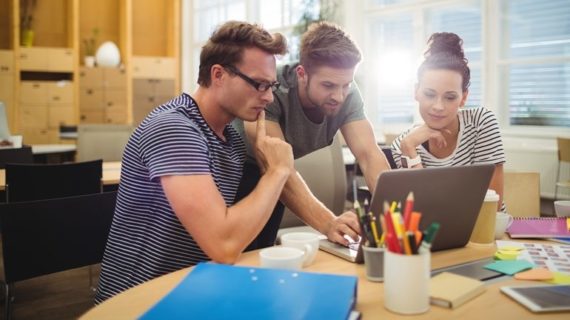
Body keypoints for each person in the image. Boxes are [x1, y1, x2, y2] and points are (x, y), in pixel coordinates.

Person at [95, 21, 292, 303]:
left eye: (271, 86)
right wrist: (278, 171)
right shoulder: (174, 128)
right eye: (259, 84)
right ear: (218, 75)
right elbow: (224, 245)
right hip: (139, 300)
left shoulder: (232, 141)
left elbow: (231, 233)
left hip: (194, 288)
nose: (269, 97)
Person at [233, 22, 391, 250]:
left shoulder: (347, 94)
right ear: (302, 74)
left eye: (345, 85)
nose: (338, 96)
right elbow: (275, 166)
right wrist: (329, 223)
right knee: (240, 256)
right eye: (328, 85)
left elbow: (368, 155)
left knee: (263, 254)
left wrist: (395, 215)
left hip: (276, 179)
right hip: (237, 173)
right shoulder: (270, 89)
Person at [390, 32, 506, 210]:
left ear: (463, 97)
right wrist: (409, 148)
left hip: (486, 231)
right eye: (429, 94)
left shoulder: (480, 122)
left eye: (450, 97)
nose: (438, 106)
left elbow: (493, 205)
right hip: (436, 235)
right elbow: (419, 209)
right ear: (416, 91)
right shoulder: (404, 144)